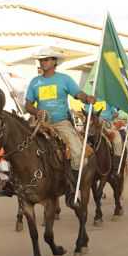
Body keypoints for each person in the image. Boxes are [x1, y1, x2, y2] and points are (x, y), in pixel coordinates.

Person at [25, 47, 95, 204]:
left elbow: (78, 94)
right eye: (41, 60)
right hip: (41, 123)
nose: (43, 62)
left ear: (54, 61)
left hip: (61, 123)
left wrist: (86, 98)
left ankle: (74, 185)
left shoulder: (65, 79)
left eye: (47, 59)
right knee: (21, 146)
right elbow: (27, 105)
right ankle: (16, 183)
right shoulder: (35, 82)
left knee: (77, 152)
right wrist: (36, 111)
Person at [90, 100, 123, 175]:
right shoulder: (91, 100)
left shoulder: (108, 100)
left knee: (117, 140)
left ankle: (116, 167)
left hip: (108, 124)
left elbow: (115, 114)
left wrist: (113, 115)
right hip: (94, 125)